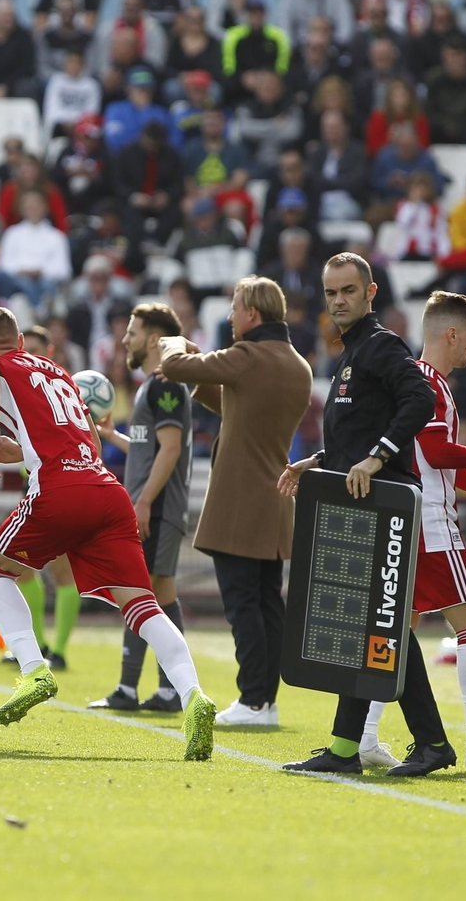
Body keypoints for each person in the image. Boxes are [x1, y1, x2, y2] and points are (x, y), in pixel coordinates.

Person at [286, 291, 466, 772]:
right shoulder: (427, 385)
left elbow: (437, 461)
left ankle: (362, 740)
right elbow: (441, 456)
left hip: (404, 522)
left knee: (392, 632)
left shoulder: (413, 382)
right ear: (452, 333)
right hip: (430, 525)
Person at [0, 305, 217, 759]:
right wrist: (17, 450)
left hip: (59, 492)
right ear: (22, 340)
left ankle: (35, 668)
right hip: (107, 492)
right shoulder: (60, 372)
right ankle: (193, 694)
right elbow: (93, 444)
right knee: (142, 605)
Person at [279, 253, 457, 777]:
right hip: (362, 501)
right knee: (373, 629)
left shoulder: (380, 346)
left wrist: (378, 455)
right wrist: (318, 462)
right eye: (331, 292)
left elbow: (419, 400)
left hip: (386, 504)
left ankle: (427, 744)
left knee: (384, 626)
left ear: (370, 293)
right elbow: (358, 431)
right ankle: (346, 749)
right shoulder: (352, 351)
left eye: (348, 291)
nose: (338, 300)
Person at [157, 276, 314, 726]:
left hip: (240, 500)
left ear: (252, 314)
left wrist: (175, 344)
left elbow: (178, 368)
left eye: (234, 307)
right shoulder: (295, 363)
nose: (229, 316)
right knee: (267, 604)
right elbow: (238, 407)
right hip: (275, 501)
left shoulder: (248, 355)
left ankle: (252, 700)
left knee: (242, 604)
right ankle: (264, 699)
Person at [88, 303, 194, 713]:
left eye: (132, 332)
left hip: (159, 506)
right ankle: (154, 690)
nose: (124, 339)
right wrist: (111, 435)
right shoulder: (153, 385)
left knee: (142, 592)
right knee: (154, 593)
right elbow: (149, 450)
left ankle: (142, 689)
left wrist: (145, 501)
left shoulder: (165, 384)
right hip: (154, 504)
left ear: (153, 339)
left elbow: (170, 449)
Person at [0, 189, 71, 311]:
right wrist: (23, 270)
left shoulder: (57, 236)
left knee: (47, 284)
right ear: (21, 209)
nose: (33, 209)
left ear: (45, 208)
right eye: (29, 206)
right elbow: (3, 265)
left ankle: (41, 308)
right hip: (19, 282)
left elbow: (63, 270)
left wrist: (40, 271)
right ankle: (39, 309)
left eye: (37, 205)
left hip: (46, 282)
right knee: (21, 284)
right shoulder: (12, 233)